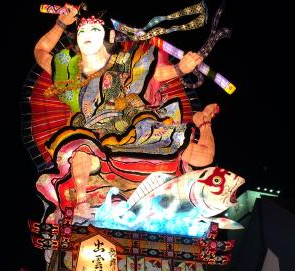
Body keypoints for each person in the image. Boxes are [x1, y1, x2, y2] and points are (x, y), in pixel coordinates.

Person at [32, 4, 218, 222]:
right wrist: (61, 23)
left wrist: (181, 69)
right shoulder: (70, 71)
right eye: (82, 31)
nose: (87, 35)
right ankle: (82, 205)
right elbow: (41, 51)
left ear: (108, 35)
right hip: (93, 136)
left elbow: (156, 74)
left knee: (203, 157)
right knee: (80, 149)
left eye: (94, 29)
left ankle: (204, 122)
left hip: (136, 128)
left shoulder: (126, 62)